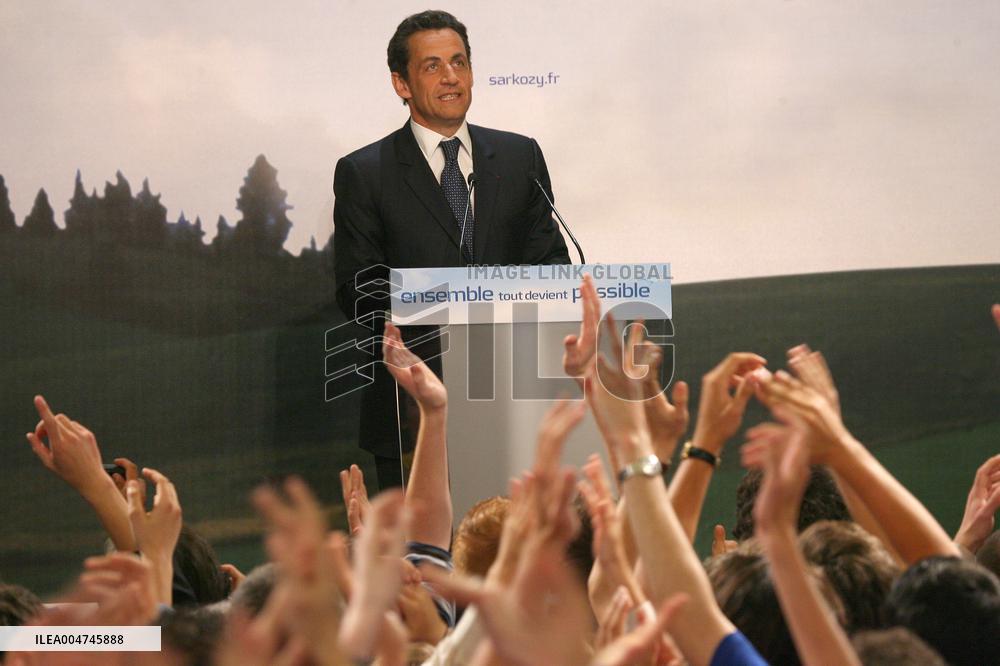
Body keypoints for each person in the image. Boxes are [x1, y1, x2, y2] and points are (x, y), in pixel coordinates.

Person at [331, 10, 571, 488]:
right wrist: (457, 301)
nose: (451, 78)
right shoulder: (365, 172)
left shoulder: (520, 156)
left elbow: (552, 267)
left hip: (516, 401)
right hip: (414, 411)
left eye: (459, 63)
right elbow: (360, 290)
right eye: (432, 66)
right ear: (401, 83)